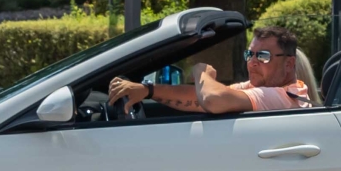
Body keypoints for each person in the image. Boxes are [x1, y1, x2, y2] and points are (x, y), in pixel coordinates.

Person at [109, 26, 312, 114]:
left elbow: (212, 99)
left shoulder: (282, 96)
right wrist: (148, 90)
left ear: (288, 63)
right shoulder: (262, 87)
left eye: (263, 56)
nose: (252, 63)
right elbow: (200, 97)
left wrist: (202, 72)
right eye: (250, 55)